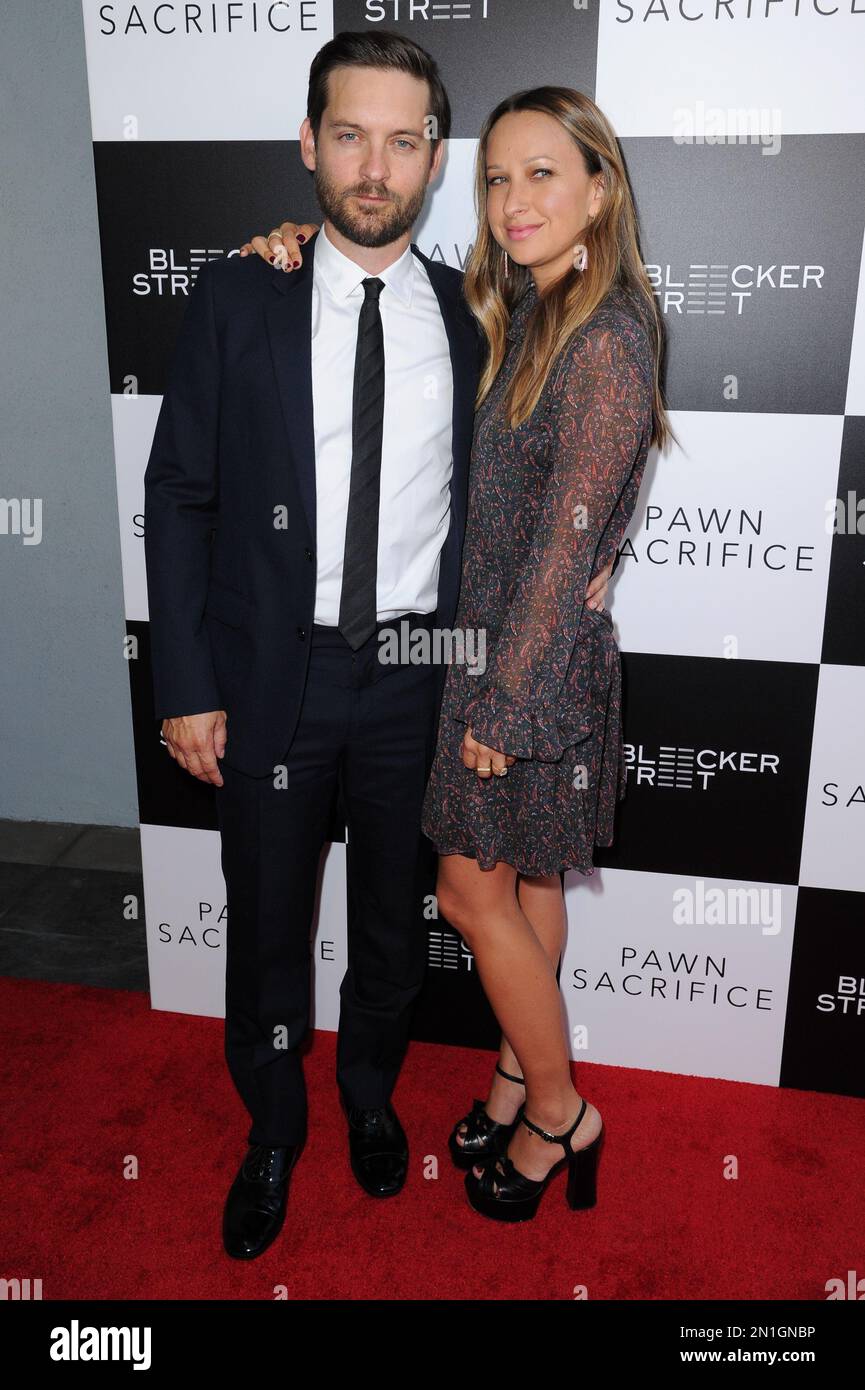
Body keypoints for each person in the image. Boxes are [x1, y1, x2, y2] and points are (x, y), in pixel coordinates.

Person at [144, 30, 613, 1260]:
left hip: (422, 673)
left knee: (399, 931)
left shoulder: (477, 315)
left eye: (404, 142)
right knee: (266, 928)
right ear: (308, 143)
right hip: (269, 674)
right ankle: (273, 1129)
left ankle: (367, 1103)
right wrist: (183, 682)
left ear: (432, 159)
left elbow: (546, 466)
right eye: (349, 134)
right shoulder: (241, 290)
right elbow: (180, 491)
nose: (374, 165)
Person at [246, 84, 671, 1223]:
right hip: (489, 650)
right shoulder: (525, 309)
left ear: (599, 187)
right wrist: (284, 246)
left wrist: (502, 702)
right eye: (497, 177)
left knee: (464, 889)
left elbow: (561, 543)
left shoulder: (606, 338)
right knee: (528, 884)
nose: (513, 198)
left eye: (544, 173)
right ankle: (508, 1077)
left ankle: (558, 1110)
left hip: (516, 671)